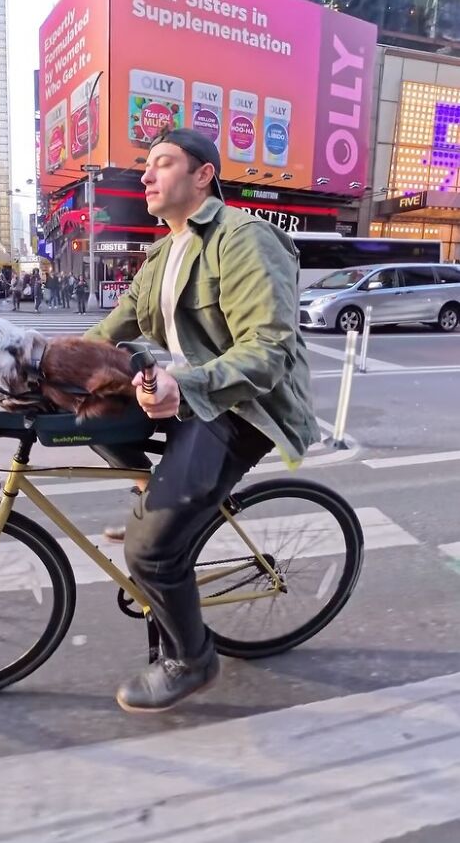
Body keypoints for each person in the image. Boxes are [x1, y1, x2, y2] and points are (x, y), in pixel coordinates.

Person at [83, 127, 319, 713]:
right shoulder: (162, 254)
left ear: (203, 174)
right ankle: (161, 499)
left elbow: (267, 351)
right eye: (146, 165)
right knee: (91, 413)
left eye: (162, 163)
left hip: (243, 406)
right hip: (190, 395)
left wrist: (181, 383)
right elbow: (106, 333)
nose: (145, 175)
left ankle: (192, 660)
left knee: (150, 552)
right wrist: (40, 367)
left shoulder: (243, 237)